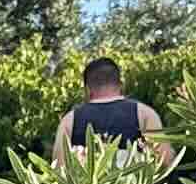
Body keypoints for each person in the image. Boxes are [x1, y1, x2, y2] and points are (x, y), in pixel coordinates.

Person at [50, 55, 183, 176]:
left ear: (87, 89)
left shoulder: (70, 120)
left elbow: (59, 169)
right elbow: (166, 161)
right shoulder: (144, 113)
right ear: (120, 84)